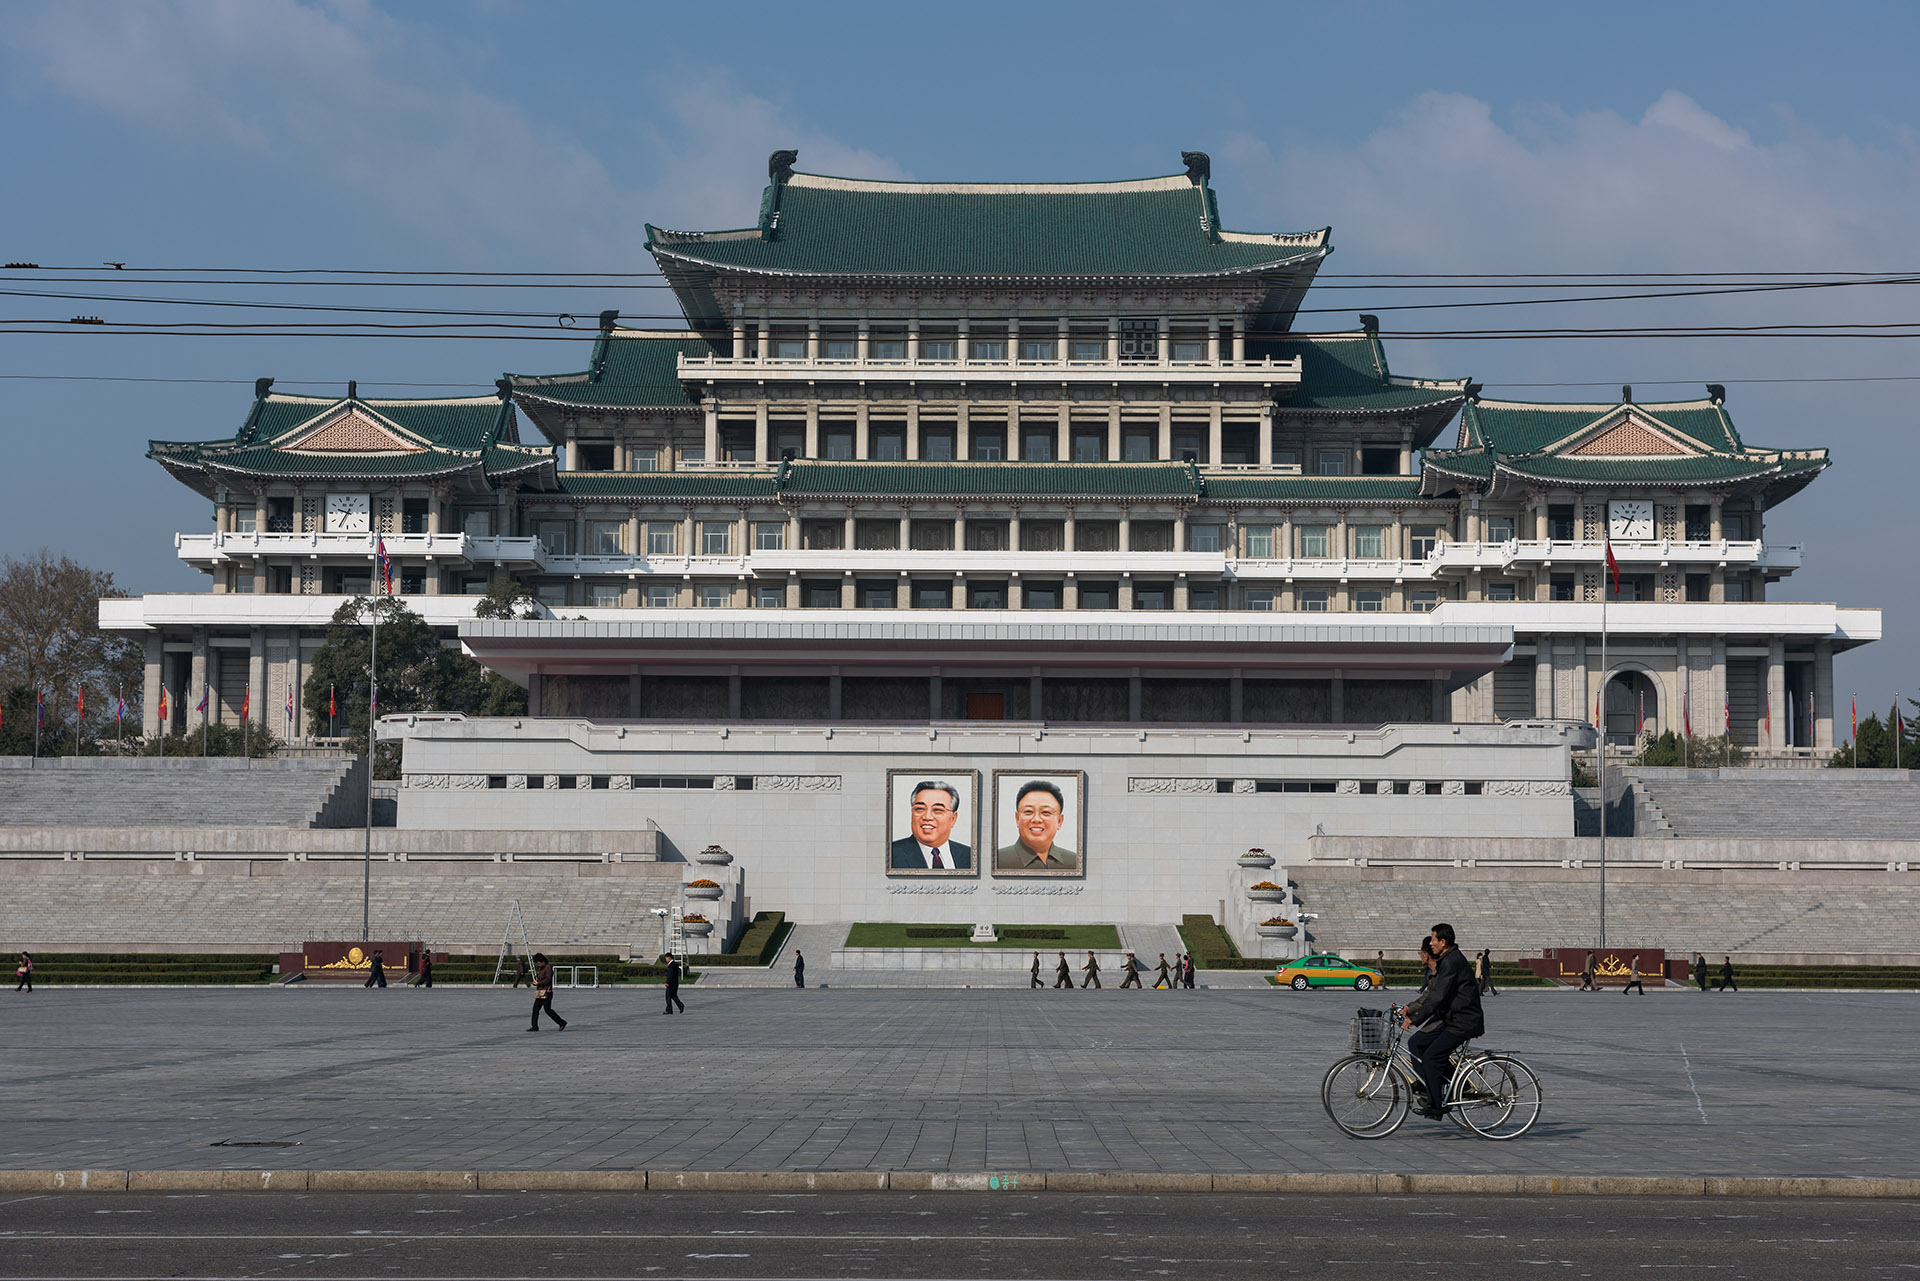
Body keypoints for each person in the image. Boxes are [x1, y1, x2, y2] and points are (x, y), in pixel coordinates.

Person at [1400, 923, 1484, 1121]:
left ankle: (1436, 1105)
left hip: (1463, 1021)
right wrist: (1413, 1012)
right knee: (1419, 1043)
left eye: (1433, 939)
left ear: (1443, 942)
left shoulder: (1451, 961)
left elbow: (1437, 996)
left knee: (1431, 1057)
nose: (1431, 943)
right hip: (1453, 1018)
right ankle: (1437, 1083)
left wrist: (1415, 1019)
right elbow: (1433, 996)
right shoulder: (1449, 958)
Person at [995, 781, 1079, 871]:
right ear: (1017, 819)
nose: (1036, 819)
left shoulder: (1075, 863)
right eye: (1028, 811)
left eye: (1046, 812)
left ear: (1059, 821)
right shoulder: (997, 861)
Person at [890, 780, 974, 870]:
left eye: (937, 810)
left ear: (953, 819)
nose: (927, 817)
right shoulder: (891, 854)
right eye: (919, 809)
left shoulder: (970, 856)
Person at [528, 953, 566, 1031]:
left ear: (542, 961)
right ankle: (534, 1026)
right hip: (540, 992)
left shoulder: (548, 968)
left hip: (547, 992)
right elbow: (541, 979)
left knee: (548, 1010)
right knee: (535, 1009)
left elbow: (548, 979)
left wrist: (539, 983)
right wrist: (536, 982)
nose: (538, 964)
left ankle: (561, 1022)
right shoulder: (541, 969)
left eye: (538, 962)